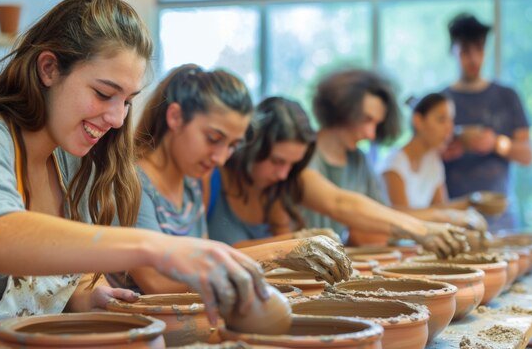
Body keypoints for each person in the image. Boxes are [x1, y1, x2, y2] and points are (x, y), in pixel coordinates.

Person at [0, 0, 268, 339]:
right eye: (104, 94)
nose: (118, 119)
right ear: (49, 69)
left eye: (128, 101)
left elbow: (42, 267)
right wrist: (155, 247)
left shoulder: (74, 160)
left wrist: (79, 295)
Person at [106, 64, 351, 294]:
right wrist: (280, 252)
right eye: (213, 138)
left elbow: (201, 260)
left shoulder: (190, 180)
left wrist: (291, 243)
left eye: (232, 146)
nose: (221, 158)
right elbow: (158, 283)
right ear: (176, 117)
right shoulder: (133, 182)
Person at [207, 96, 468, 259]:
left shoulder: (283, 182)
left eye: (292, 164)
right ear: (250, 147)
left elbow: (342, 203)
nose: (284, 172)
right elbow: (214, 256)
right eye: (277, 161)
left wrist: (423, 230)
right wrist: (296, 242)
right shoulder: (212, 176)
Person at [305, 70, 485, 242]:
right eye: (367, 119)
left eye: (377, 124)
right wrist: (431, 224)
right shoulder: (304, 157)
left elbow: (382, 213)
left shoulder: (359, 160)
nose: (371, 134)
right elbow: (340, 204)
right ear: (342, 109)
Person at [442, 13, 532, 230]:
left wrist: (496, 144)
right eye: (465, 52)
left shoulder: (507, 96)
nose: (473, 59)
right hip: (453, 218)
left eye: (479, 50)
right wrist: (443, 152)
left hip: (502, 217)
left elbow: (528, 155)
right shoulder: (441, 102)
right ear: (453, 51)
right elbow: (419, 158)